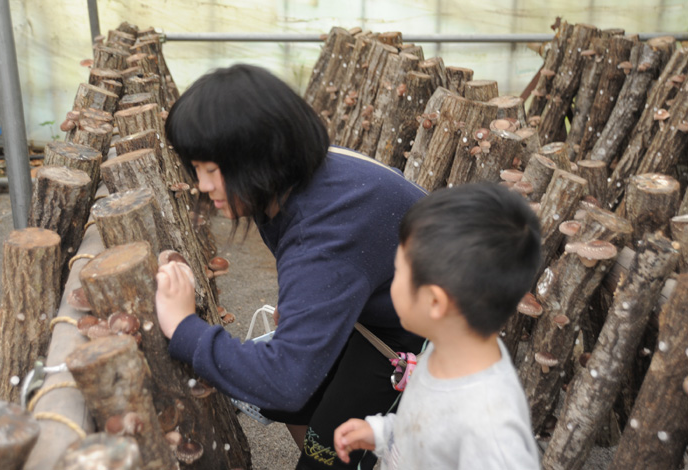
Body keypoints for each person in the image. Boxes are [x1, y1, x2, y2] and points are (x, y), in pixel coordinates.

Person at [155, 63, 427, 470]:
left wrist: (182, 327)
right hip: (374, 309)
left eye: (212, 170)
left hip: (420, 337)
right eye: (196, 169)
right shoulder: (301, 176)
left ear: (260, 157)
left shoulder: (328, 228)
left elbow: (287, 382)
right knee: (289, 400)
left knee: (321, 441)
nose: (203, 185)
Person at [334, 183, 542, 469]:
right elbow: (427, 426)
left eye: (398, 272)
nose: (391, 283)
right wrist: (383, 434)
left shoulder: (491, 431)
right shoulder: (444, 348)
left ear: (434, 302)